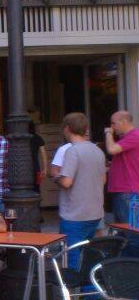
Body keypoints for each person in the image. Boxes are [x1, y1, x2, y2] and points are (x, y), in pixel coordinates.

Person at [53, 112, 107, 270]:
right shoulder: (97, 150)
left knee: (72, 259)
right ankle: (88, 285)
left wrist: (56, 176)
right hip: (95, 213)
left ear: (67, 128)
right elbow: (103, 180)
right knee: (89, 258)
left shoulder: (72, 151)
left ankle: (73, 285)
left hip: (75, 215)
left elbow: (66, 182)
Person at [105, 111, 139, 225]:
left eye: (113, 123)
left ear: (124, 122)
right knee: (122, 229)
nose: (112, 127)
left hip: (127, 191)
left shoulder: (134, 136)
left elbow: (111, 149)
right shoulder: (127, 138)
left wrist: (108, 133)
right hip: (124, 191)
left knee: (130, 230)